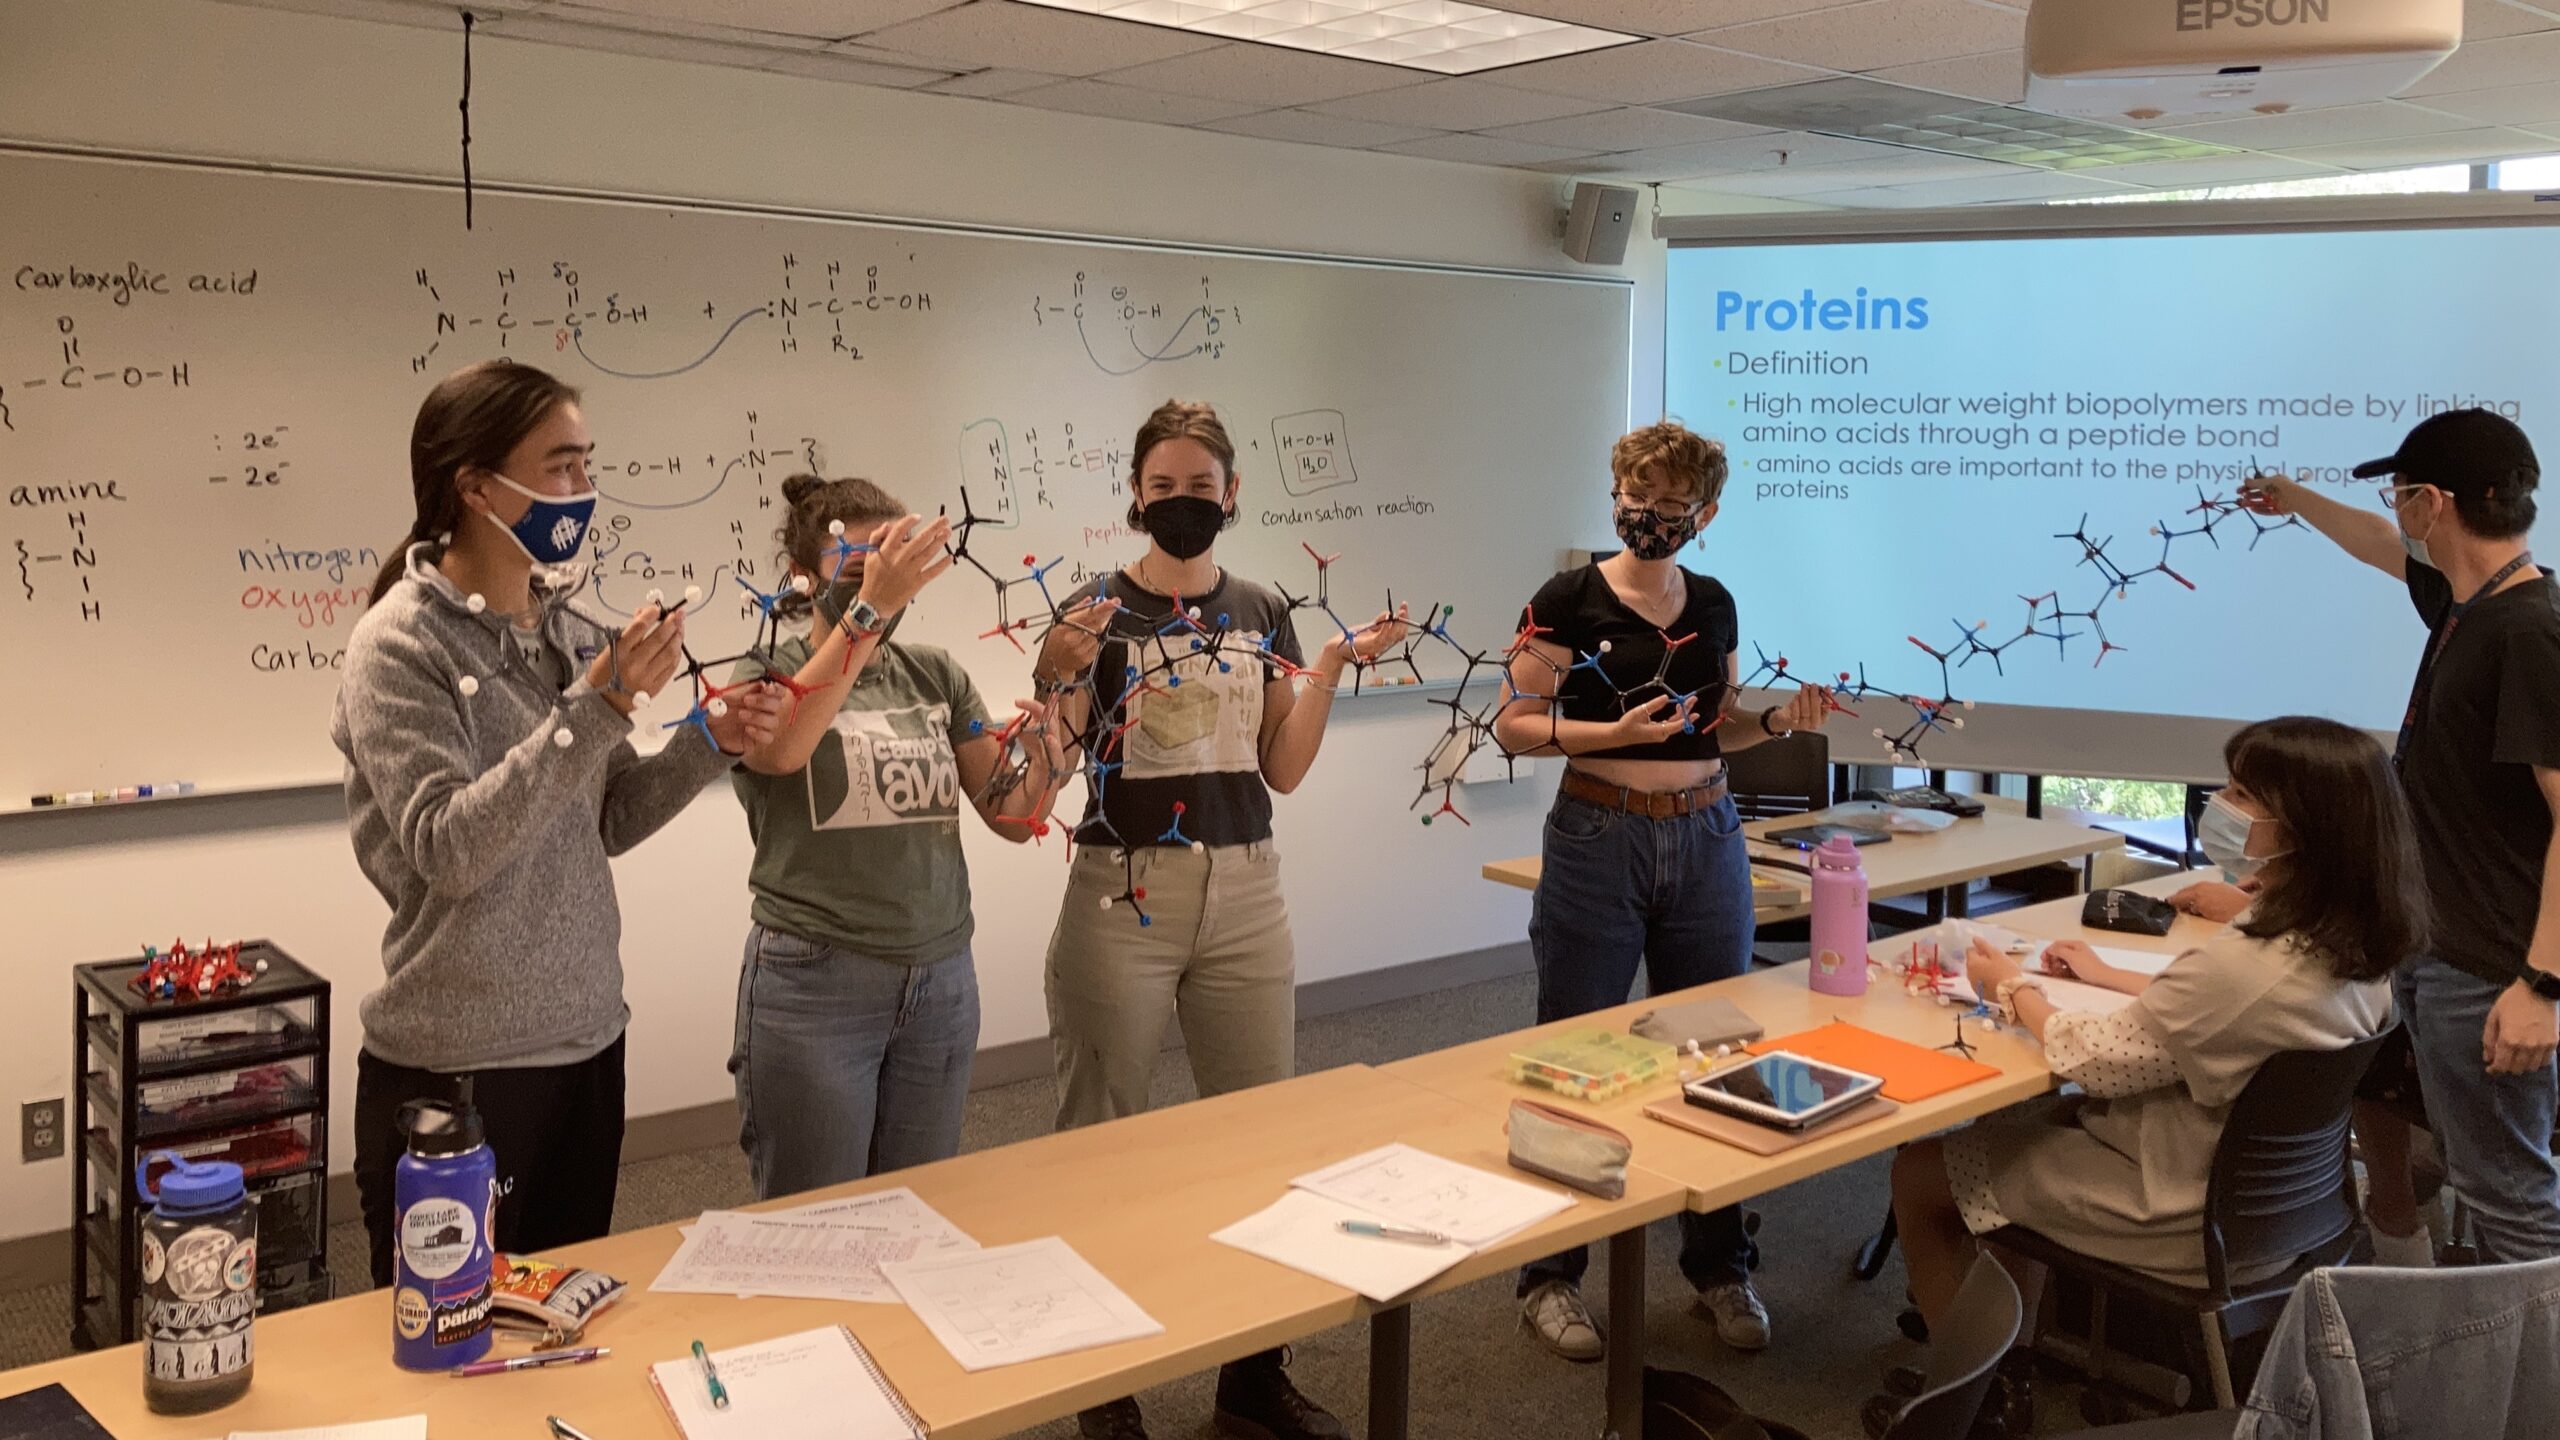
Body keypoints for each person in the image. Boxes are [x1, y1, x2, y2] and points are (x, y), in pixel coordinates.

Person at [337, 360, 785, 1284]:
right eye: (561, 467)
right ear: (473, 486)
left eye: (586, 465)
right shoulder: (397, 644)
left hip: (586, 1041)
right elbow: (452, 849)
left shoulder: (565, 627)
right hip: (458, 1067)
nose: (583, 491)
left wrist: (710, 737)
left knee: (560, 1327)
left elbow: (610, 816)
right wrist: (599, 704)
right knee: (449, 1340)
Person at [1029, 398, 1403, 1440]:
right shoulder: (1093, 608)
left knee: (1256, 1140)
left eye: (1201, 487)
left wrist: (1328, 666)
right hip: (1121, 890)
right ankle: (1099, 1384)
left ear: (1231, 494)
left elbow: (1279, 767)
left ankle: (1251, 1373)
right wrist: (1059, 669)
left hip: (1245, 886)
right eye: (1163, 488)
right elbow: (1047, 775)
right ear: (1135, 498)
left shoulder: (1262, 607)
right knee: (1097, 1144)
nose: (1182, 502)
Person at [1885, 716, 2422, 1439]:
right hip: (2289, 1211)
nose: (2222, 805)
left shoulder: (2245, 968)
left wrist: (2010, 985)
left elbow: (2093, 1062)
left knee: (1921, 1174)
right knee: (2000, 1137)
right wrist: (2108, 973)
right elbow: (2209, 1020)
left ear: (2299, 824)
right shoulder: (2360, 943)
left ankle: (1974, 1403)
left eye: (2240, 793)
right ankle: (2007, 1356)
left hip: (2175, 1211)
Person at [1490, 420, 1835, 1363]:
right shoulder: (1565, 599)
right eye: (1633, 498)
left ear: (1705, 514)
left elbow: (1712, 730)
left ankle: (1720, 1264)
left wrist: (1775, 720)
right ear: (1615, 495)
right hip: (1601, 835)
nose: (1646, 515)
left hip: (1709, 838)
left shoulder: (1714, 601)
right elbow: (1515, 725)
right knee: (1578, 1052)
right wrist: (1613, 733)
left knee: (1714, 1054)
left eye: (1669, 505)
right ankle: (1551, 1276)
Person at [2245, 411, 2560, 1266]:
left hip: (2491, 969)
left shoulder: (2529, 630)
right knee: (2479, 1176)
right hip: (2440, 949)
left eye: (2403, 494)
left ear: (2435, 502)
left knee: (2512, 1198)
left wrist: (2543, 983)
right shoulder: (2470, 606)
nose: (2399, 512)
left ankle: (2527, 1397)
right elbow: (2379, 545)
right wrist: (2296, 497)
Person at [727, 474, 1069, 1200]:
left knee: (916, 1210)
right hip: (815, 981)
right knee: (814, 1217)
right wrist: (867, 613)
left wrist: (1048, 759)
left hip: (941, 979)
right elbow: (783, 749)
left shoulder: (936, 674)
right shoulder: (764, 669)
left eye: (893, 573)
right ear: (802, 573)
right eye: (855, 571)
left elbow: (1011, 815)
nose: (879, 590)